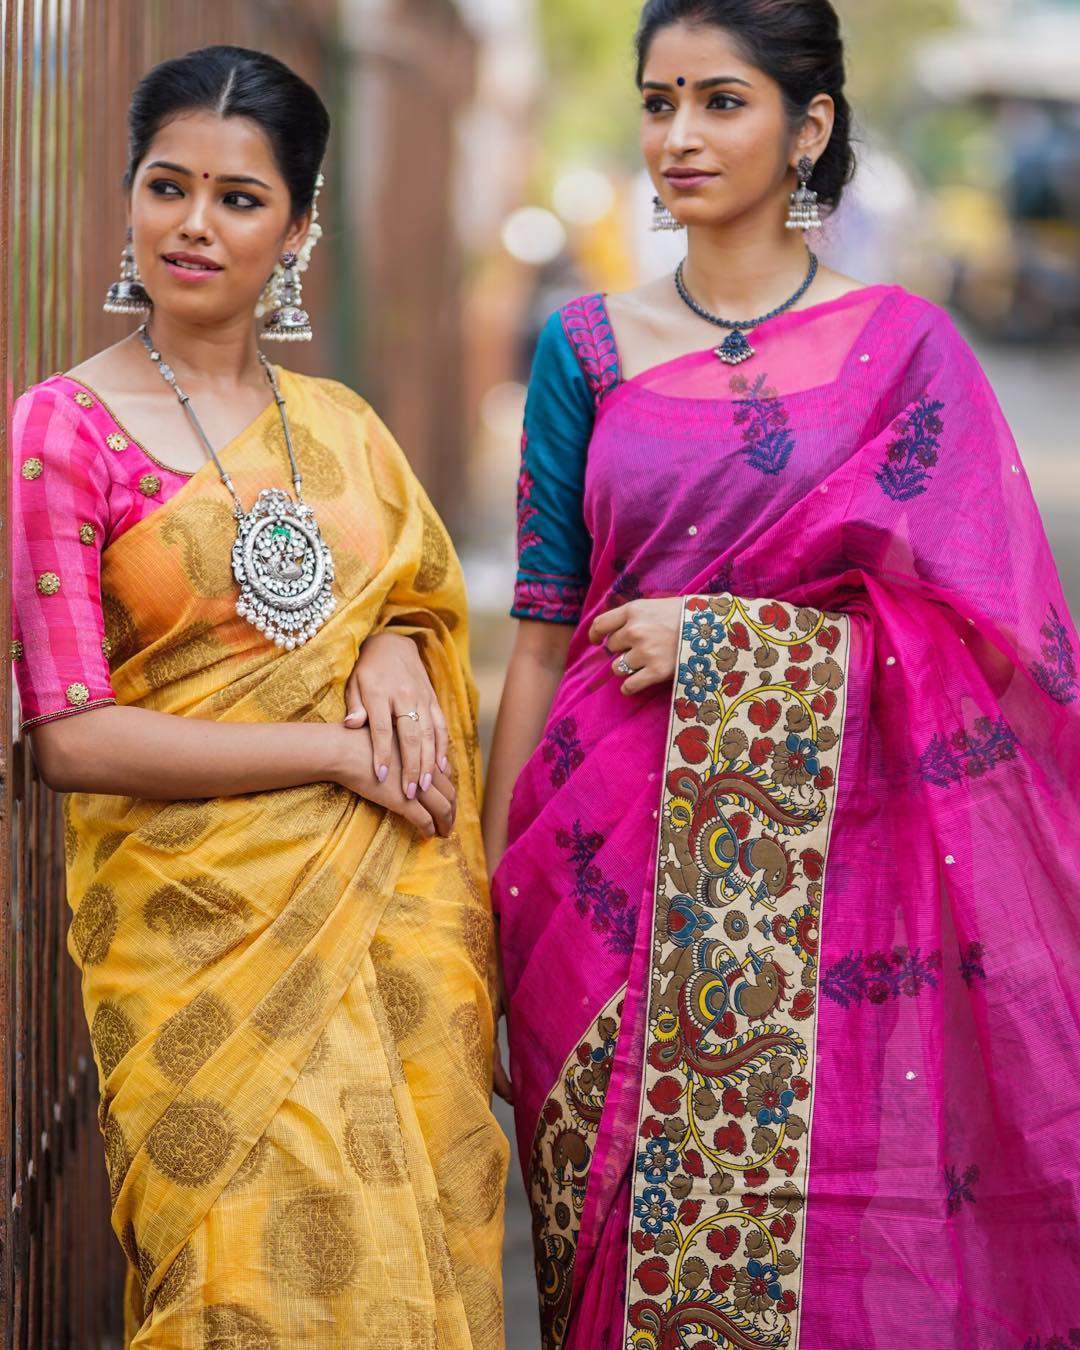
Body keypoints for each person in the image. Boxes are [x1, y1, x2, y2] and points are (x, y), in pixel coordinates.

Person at [483, 3, 1080, 1347]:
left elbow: (999, 650)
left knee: (842, 1240)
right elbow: (537, 633)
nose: (677, 135)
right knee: (617, 1257)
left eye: (720, 101)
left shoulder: (905, 351)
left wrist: (728, 642)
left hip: (845, 897)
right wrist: (486, 897)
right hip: (597, 878)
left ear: (809, 127)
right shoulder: (584, 347)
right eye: (656, 102)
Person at [11, 46, 506, 1348]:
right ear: (128, 196)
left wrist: (397, 636)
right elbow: (70, 735)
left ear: (300, 225)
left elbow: (403, 592)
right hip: (198, 953)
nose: (194, 222)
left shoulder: (339, 422)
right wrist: (332, 755)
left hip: (382, 936)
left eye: (239, 196)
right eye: (168, 185)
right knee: (242, 1293)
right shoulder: (61, 430)